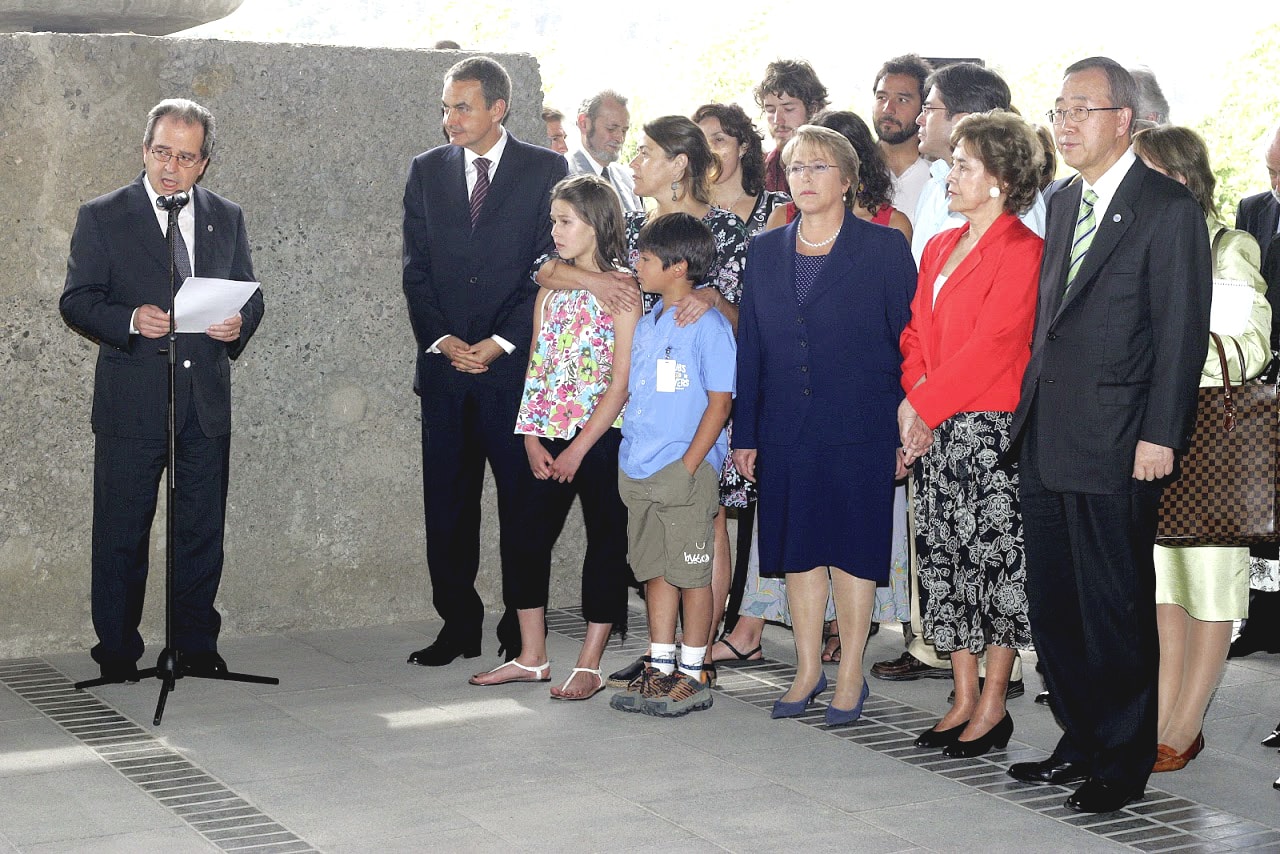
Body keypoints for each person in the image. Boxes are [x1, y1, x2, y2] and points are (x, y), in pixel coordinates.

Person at [1008, 57, 1212, 814]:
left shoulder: (1166, 207)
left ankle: (1123, 762)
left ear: (1123, 119)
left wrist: (1162, 434)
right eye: (1059, 108)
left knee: (1115, 606)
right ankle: (1082, 737)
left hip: (1121, 439)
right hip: (1048, 435)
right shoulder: (1063, 201)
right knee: (1056, 606)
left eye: (1081, 108)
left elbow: (1180, 333)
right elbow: (1049, 327)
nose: (1065, 122)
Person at [537, 116, 749, 687]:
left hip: (692, 436)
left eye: (647, 152)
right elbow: (551, 267)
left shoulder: (725, 231)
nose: (633, 162)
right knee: (655, 557)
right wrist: (592, 283)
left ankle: (694, 657)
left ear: (680, 165)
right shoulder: (632, 230)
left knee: (703, 540)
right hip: (644, 435)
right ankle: (662, 656)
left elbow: (745, 321)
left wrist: (710, 298)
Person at [60, 98, 265, 682]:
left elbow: (250, 293)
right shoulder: (103, 215)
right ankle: (118, 654)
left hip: (204, 405)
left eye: (185, 156)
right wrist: (129, 319)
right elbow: (76, 300)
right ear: (143, 150)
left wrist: (237, 325)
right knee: (121, 532)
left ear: (204, 162)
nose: (170, 166)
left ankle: (196, 645)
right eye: (160, 152)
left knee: (201, 531)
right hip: (132, 403)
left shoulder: (225, 215)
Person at [734, 125, 915, 726]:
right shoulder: (764, 251)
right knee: (799, 552)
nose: (804, 179)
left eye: (817, 168)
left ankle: (851, 673)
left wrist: (901, 430)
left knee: (855, 552)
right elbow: (751, 347)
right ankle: (807, 668)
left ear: (846, 180)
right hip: (786, 428)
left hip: (861, 426)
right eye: (794, 168)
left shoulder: (883, 248)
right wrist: (746, 434)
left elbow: (906, 344)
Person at [874, 61, 1042, 692]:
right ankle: (962, 693)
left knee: (993, 567)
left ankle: (993, 703)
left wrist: (922, 407)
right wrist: (915, 402)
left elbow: (995, 346)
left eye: (965, 165)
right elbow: (915, 330)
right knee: (942, 564)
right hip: (934, 423)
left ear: (999, 180)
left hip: (988, 431)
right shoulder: (942, 244)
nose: (952, 174)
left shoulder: (1024, 250)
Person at [401, 56, 568, 668]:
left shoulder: (547, 169)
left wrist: (500, 341)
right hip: (446, 372)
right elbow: (415, 269)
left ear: (498, 108)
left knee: (525, 507)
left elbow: (548, 270)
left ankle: (517, 621)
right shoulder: (427, 171)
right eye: (445, 107)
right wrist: (443, 338)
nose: (450, 120)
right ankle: (457, 624)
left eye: (462, 106)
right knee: (447, 507)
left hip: (516, 373)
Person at [1130, 125, 1272, 772]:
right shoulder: (1133, 242)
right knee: (1162, 589)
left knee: (1210, 586)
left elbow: (1251, 344)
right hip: (1144, 438)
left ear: (1183, 179)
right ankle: (1162, 714)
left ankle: (1185, 726)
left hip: (1213, 439)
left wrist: (1173, 366)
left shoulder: (1228, 246)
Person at [469, 175, 640, 698]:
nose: (555, 230)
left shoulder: (625, 289)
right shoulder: (550, 289)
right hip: (547, 434)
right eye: (553, 220)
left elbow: (621, 382)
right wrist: (531, 438)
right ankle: (532, 656)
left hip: (602, 437)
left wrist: (580, 448)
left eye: (565, 221)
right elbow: (539, 369)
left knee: (605, 544)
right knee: (524, 539)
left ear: (596, 223)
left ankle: (589, 661)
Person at [609, 213, 735, 717]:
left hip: (684, 470)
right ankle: (660, 667)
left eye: (644, 258)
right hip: (640, 467)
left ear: (678, 267)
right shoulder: (647, 322)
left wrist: (688, 465)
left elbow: (720, 404)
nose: (636, 265)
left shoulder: (708, 325)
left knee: (692, 575)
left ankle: (692, 671)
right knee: (656, 572)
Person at [693, 102, 790, 233]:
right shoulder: (686, 211)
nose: (709, 149)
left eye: (719, 140)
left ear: (743, 146)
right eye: (702, 142)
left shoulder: (777, 206)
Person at [872, 54, 934, 223]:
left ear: (924, 108)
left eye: (902, 100)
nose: (888, 109)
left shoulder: (940, 177)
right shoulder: (853, 170)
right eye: (881, 97)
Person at [754, 60, 829, 194]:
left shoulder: (833, 166)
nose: (778, 120)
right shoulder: (760, 171)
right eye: (770, 110)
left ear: (813, 109)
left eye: (788, 109)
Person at [567, 90, 642, 213]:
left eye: (624, 130)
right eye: (611, 129)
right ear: (584, 123)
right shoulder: (564, 173)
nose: (620, 138)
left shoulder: (627, 178)